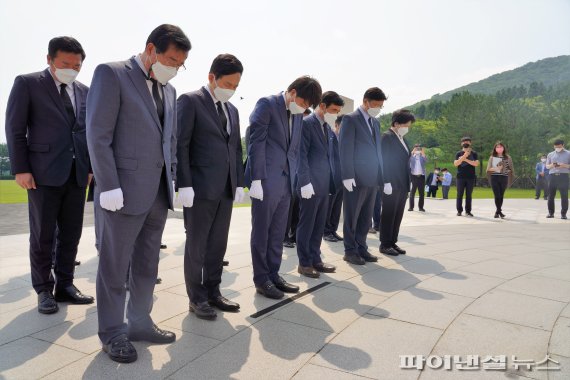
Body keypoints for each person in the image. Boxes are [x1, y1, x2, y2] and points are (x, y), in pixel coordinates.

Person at [87, 24, 191, 363]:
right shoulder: (112, 75)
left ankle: (140, 322)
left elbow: (170, 142)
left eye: (181, 64)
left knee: (147, 264)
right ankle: (113, 333)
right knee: (115, 268)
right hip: (122, 192)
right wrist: (108, 184)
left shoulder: (169, 91)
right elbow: (98, 134)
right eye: (172, 59)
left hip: (157, 194)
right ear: (151, 49)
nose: (175, 68)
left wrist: (173, 181)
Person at [5, 36, 94, 315]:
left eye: (77, 65)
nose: (72, 68)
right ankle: (44, 288)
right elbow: (15, 129)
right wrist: (20, 168)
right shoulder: (28, 83)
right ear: (49, 60)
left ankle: (65, 285)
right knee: (42, 234)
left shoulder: (85, 90)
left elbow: (88, 132)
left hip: (77, 173)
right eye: (65, 63)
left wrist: (90, 167)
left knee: (71, 233)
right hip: (42, 173)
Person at [176, 54, 245, 320]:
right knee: (197, 245)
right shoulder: (191, 101)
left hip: (225, 189)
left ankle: (214, 291)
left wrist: (238, 181)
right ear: (211, 77)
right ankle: (196, 298)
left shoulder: (233, 110)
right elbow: (181, 144)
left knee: (218, 245)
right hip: (199, 188)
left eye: (236, 86)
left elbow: (235, 148)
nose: (231, 89)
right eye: (227, 83)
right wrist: (184, 183)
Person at [245, 76, 322, 299]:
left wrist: (297, 180)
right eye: (304, 103)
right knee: (262, 231)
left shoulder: (298, 115)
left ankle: (273, 273)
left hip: (287, 182)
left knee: (278, 232)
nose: (304, 108)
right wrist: (256, 179)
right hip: (266, 180)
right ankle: (261, 279)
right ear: (293, 92)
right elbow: (256, 142)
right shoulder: (267, 104)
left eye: (308, 107)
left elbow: (295, 150)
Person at [296, 91, 343, 278]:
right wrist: (304, 182)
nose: (335, 114)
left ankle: (316, 258)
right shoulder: (306, 124)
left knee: (318, 225)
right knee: (307, 224)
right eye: (333, 110)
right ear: (322, 106)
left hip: (324, 185)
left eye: (338, 111)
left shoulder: (327, 128)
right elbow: (301, 155)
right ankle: (304, 263)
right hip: (310, 185)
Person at [339, 87, 385, 265]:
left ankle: (361, 247)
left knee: (366, 217)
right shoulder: (351, 119)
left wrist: (381, 176)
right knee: (352, 215)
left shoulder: (375, 122)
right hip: (355, 177)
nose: (377, 108)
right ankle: (350, 250)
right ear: (365, 101)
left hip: (372, 178)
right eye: (375, 105)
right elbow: (345, 148)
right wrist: (347, 175)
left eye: (380, 106)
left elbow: (378, 151)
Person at [379, 109, 415, 256]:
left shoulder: (403, 139)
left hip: (403, 182)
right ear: (396, 123)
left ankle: (393, 241)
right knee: (388, 214)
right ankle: (385, 244)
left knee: (398, 214)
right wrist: (385, 181)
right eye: (406, 125)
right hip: (391, 183)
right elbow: (383, 161)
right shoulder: (386, 137)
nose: (408, 128)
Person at [323, 115, 344, 242]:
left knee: (337, 207)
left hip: (342, 178)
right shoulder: (329, 136)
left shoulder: (346, 139)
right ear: (336, 125)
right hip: (331, 177)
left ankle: (333, 230)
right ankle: (326, 232)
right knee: (329, 206)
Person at [486, 142, 514, 218]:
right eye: (497, 147)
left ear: (503, 148)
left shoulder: (508, 157)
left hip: (504, 178)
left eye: (501, 147)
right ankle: (499, 211)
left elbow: (511, 169)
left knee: (501, 195)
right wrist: (497, 168)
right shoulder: (492, 157)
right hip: (494, 178)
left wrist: (506, 169)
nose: (499, 148)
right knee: (497, 195)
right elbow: (488, 169)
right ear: (495, 148)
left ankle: (497, 212)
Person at [453, 137, 479, 216]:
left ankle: (468, 211)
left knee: (469, 194)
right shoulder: (458, 153)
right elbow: (456, 164)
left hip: (470, 177)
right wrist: (465, 155)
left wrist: (465, 160)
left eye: (467, 141)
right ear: (461, 143)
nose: (465, 142)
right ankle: (459, 211)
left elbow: (476, 164)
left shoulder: (474, 153)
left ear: (470, 143)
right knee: (459, 194)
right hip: (460, 177)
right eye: (464, 141)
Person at [545, 139, 570, 219]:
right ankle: (551, 213)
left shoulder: (568, 154)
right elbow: (547, 166)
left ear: (562, 145)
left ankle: (563, 214)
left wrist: (564, 165)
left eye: (559, 147)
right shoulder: (550, 154)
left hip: (563, 176)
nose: (557, 148)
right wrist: (552, 165)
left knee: (564, 196)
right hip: (552, 176)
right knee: (550, 196)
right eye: (555, 147)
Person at [408, 144, 427, 211]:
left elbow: (426, 160)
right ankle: (411, 207)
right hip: (413, 176)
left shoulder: (422, 156)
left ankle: (421, 207)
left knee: (421, 193)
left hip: (421, 176)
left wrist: (422, 152)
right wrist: (413, 151)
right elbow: (408, 158)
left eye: (419, 148)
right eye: (416, 148)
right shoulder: (412, 156)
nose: (417, 150)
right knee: (412, 192)